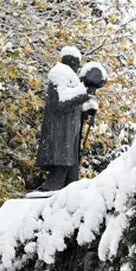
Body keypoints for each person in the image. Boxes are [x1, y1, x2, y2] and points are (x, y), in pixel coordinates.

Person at [36, 47, 92, 191]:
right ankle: (46, 200)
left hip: (69, 138)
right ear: (70, 61)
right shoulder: (59, 74)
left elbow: (72, 106)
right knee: (58, 177)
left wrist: (86, 111)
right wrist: (84, 92)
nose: (77, 66)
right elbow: (62, 102)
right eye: (76, 63)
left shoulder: (70, 77)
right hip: (60, 136)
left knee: (70, 181)